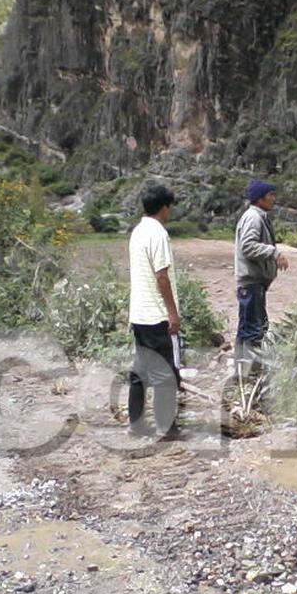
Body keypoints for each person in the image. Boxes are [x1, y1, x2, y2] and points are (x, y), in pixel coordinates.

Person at [128, 184, 182, 440]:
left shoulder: (137, 232)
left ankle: (136, 424)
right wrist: (172, 313)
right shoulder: (158, 234)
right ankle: (166, 427)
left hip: (138, 313)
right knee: (164, 374)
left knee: (140, 371)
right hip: (155, 314)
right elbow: (162, 276)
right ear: (164, 207)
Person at [234, 179, 288, 365]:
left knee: (248, 327)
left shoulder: (258, 216)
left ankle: (242, 369)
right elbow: (248, 246)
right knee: (253, 329)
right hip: (251, 283)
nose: (274, 199)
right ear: (259, 199)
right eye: (271, 195)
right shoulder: (254, 218)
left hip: (254, 284)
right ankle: (250, 371)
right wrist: (274, 252)